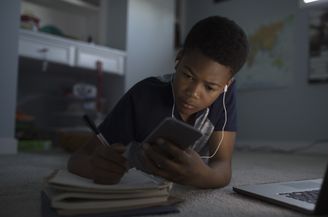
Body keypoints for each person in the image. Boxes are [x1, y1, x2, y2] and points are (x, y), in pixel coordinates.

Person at [67, 16, 249, 189]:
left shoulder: (224, 95)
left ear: (227, 84)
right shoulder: (143, 96)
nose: (193, 93)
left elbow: (222, 164)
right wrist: (94, 167)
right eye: (187, 75)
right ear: (178, 59)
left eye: (209, 88)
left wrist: (203, 176)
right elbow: (77, 159)